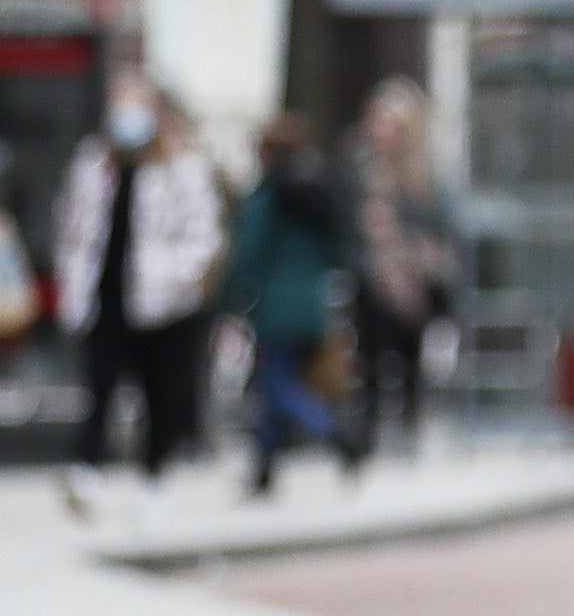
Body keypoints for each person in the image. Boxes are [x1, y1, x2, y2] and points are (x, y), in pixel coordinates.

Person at [52, 72, 223, 510]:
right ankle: (86, 470)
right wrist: (71, 282)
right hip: (104, 296)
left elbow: (204, 234)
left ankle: (153, 481)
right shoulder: (93, 162)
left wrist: (179, 279)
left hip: (162, 302)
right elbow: (70, 227)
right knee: (99, 385)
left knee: (159, 393)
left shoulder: (183, 165)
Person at [223, 113, 366, 497]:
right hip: (313, 303)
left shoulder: (267, 200)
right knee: (277, 384)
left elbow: (247, 257)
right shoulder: (315, 196)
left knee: (274, 385)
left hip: (275, 307)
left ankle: (335, 433)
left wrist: (227, 299)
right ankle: (264, 469)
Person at [347, 79, 456, 456]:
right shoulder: (362, 166)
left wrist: (418, 253)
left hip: (413, 281)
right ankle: (369, 434)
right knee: (370, 358)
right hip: (372, 278)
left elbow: (440, 225)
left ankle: (408, 430)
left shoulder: (423, 175)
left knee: (411, 359)